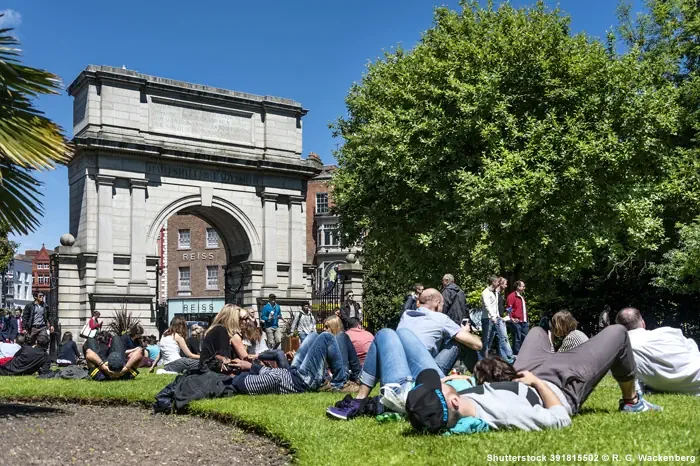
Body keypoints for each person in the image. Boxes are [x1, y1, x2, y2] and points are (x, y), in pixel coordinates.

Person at [401, 324, 662, 434]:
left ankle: (567, 351)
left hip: (523, 374)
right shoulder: (505, 414)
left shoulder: (462, 402)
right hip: (558, 384)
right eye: (441, 388)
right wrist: (537, 383)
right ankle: (632, 401)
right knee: (617, 333)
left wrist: (459, 378)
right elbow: (559, 420)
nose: (442, 383)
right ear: (454, 402)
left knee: (537, 331)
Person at [228, 330, 358, 395]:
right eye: (231, 365)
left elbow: (273, 374)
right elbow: (274, 380)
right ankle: (340, 383)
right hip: (301, 381)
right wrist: (252, 368)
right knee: (326, 337)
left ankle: (326, 379)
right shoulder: (240, 381)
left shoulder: (242, 377)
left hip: (293, 373)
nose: (236, 364)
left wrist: (251, 366)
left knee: (312, 335)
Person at [616, 307, 700, 395]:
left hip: (687, 388)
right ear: (643, 323)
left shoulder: (624, 352)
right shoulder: (667, 332)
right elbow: (692, 348)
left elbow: (635, 388)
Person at [397, 288, 482, 375]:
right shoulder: (440, 318)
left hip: (402, 370)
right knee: (462, 341)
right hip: (428, 373)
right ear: (437, 304)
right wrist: (465, 332)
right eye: (442, 305)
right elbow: (477, 344)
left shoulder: (406, 315)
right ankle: (486, 376)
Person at [481, 276, 514, 363]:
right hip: (487, 319)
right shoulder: (486, 292)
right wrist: (493, 316)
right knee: (487, 340)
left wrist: (498, 316)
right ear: (493, 282)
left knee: (503, 337)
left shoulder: (495, 292)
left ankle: (507, 358)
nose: (498, 284)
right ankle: (483, 359)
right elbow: (487, 305)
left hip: (496, 318)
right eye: (497, 282)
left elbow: (495, 306)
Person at [506, 281, 529, 355]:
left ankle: (524, 355)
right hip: (516, 321)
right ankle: (516, 356)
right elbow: (509, 308)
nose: (524, 288)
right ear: (518, 287)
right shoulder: (512, 296)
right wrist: (511, 318)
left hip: (524, 321)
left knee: (525, 339)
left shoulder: (522, 297)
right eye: (523, 286)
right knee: (517, 339)